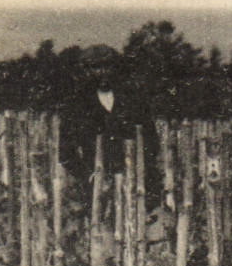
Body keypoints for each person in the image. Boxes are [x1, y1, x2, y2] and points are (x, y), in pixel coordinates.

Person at [57, 44, 157, 204]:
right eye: (96, 67)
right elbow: (66, 152)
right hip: (95, 188)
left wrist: (140, 171)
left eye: (107, 66)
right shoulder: (76, 105)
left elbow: (151, 141)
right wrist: (88, 176)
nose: (103, 72)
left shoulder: (133, 100)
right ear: (86, 71)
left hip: (134, 184)